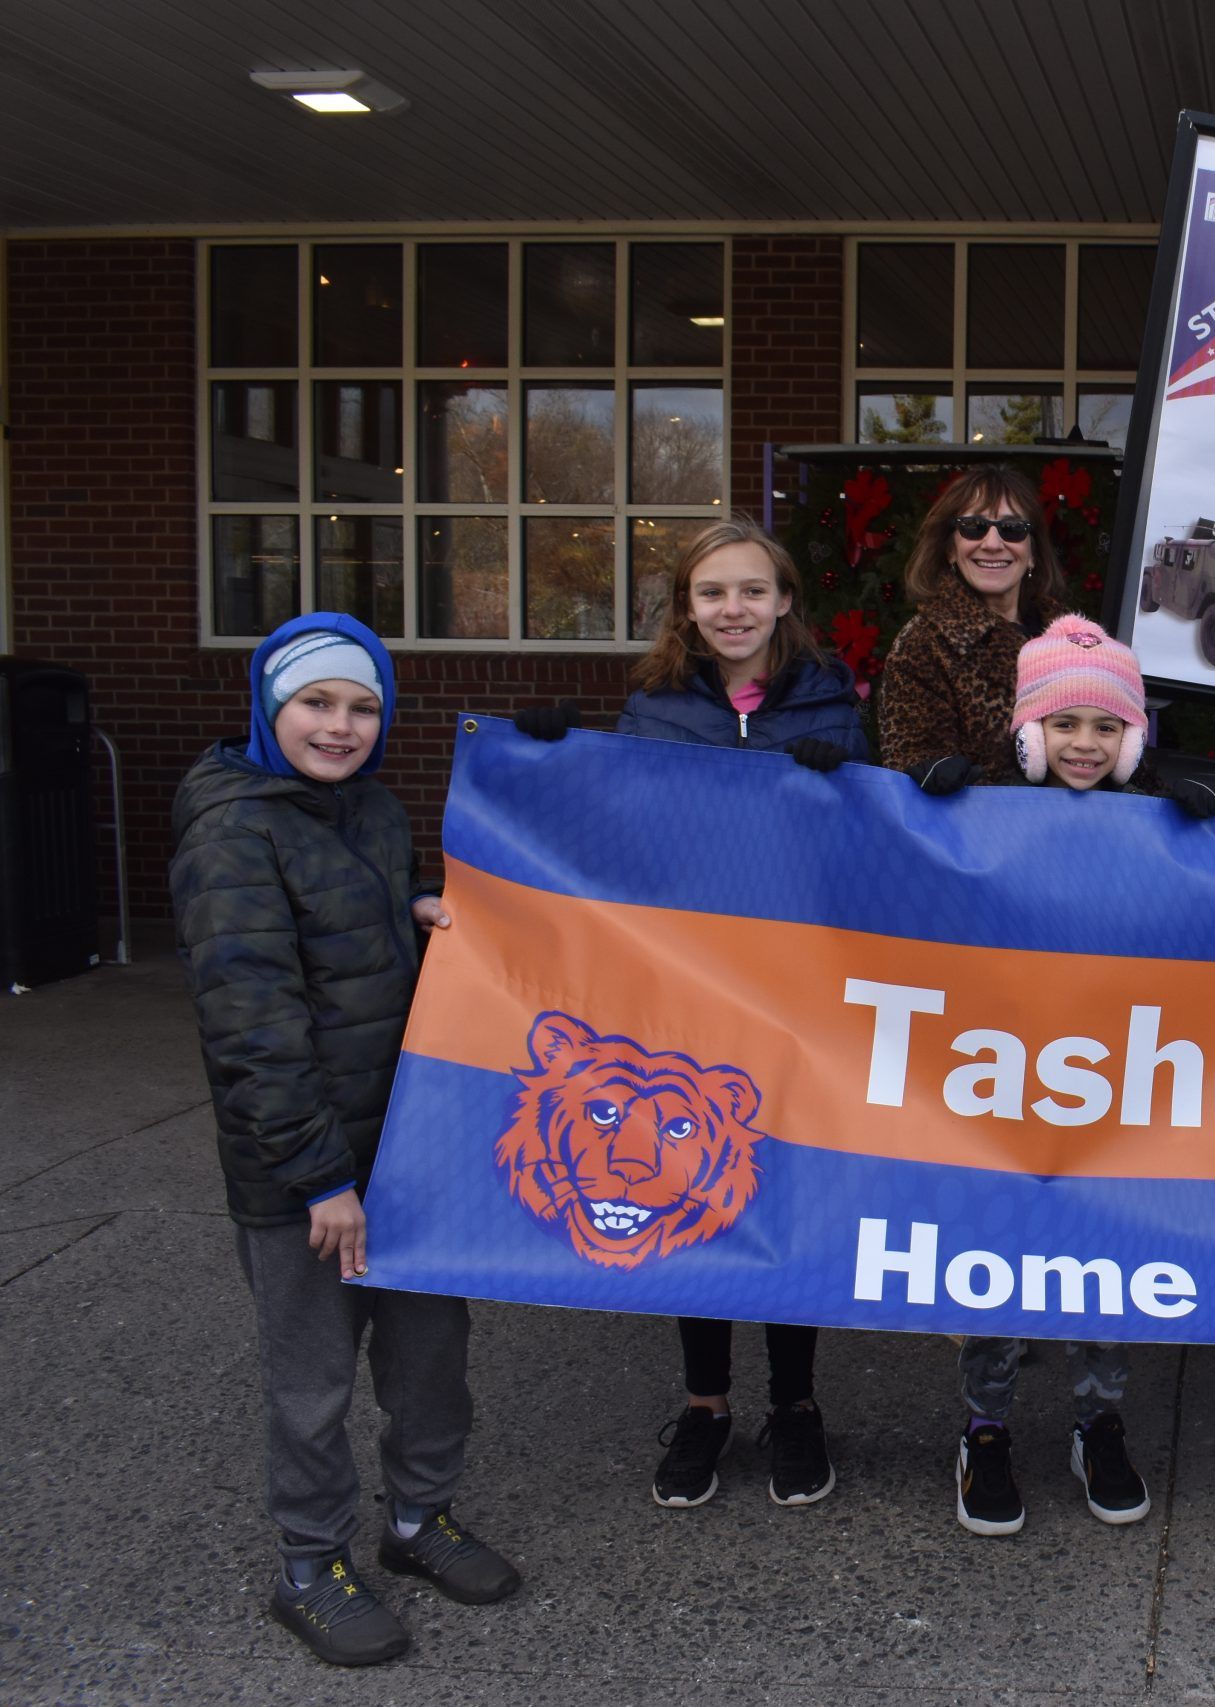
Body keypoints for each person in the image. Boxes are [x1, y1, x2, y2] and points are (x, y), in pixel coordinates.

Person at [907, 615, 1215, 1533]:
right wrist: (913, 801)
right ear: (1029, 734)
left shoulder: (1161, 825)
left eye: (1107, 726)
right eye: (1064, 724)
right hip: (1005, 1087)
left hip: (1118, 1091)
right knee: (1001, 1260)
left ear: (1133, 740)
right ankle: (985, 1428)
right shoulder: (979, 816)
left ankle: (1098, 1422)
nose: (1085, 744)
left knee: (1108, 1260)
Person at [172, 613, 519, 1668]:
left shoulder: (369, 809)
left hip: (404, 1151)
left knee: (430, 1358)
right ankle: (309, 1563)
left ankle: (418, 1518)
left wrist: (413, 908)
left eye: (363, 706)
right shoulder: (233, 833)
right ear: (269, 707)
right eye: (316, 702)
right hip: (307, 1176)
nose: (340, 725)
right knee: (314, 1380)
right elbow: (252, 1028)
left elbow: (365, 937)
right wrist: (320, 1177)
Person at [516, 514, 865, 1509]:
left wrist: (852, 786)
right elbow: (616, 842)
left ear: (785, 600)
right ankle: (706, 1402)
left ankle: (795, 1403)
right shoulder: (655, 708)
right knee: (691, 1190)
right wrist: (546, 766)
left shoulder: (834, 702)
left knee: (784, 1190)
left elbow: (871, 847)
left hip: (798, 991)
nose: (733, 608)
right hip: (685, 998)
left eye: (752, 590)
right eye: (712, 592)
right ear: (687, 607)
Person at [878, 466, 1067, 773]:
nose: (992, 543)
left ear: (1033, 553)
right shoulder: (922, 645)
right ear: (951, 550)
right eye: (974, 527)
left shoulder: (1072, 639)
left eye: (1012, 528)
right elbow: (913, 767)